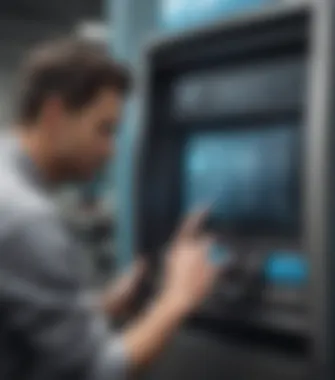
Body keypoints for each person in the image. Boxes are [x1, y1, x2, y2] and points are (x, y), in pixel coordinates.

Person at [0, 38, 218, 380]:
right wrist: (178, 298)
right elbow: (99, 372)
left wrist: (99, 308)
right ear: (54, 114)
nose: (111, 151)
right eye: (105, 129)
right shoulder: (27, 219)